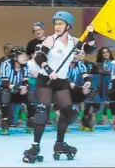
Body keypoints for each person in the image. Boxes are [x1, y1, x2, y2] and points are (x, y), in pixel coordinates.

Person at [22, 11, 96, 163]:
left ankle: (59, 143)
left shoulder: (74, 41)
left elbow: (89, 49)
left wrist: (91, 34)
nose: (57, 26)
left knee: (69, 113)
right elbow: (39, 56)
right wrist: (48, 70)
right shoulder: (51, 39)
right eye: (56, 23)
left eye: (60, 24)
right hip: (45, 79)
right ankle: (35, 146)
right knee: (43, 110)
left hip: (61, 81)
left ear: (68, 26)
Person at [0, 46, 35, 134]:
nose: (25, 57)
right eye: (22, 55)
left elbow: (25, 81)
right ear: (15, 57)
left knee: (31, 93)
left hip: (17, 91)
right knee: (5, 92)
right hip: (3, 90)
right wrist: (18, 87)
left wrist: (25, 87)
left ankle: (30, 121)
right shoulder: (6, 64)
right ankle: (5, 121)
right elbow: (5, 83)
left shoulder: (26, 66)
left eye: (25, 55)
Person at [68, 49, 96, 132]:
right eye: (77, 53)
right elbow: (68, 83)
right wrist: (81, 89)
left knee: (92, 90)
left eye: (81, 53)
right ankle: (65, 117)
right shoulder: (63, 64)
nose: (79, 55)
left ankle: (85, 115)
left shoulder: (80, 64)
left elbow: (86, 77)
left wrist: (87, 84)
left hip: (76, 90)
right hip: (64, 90)